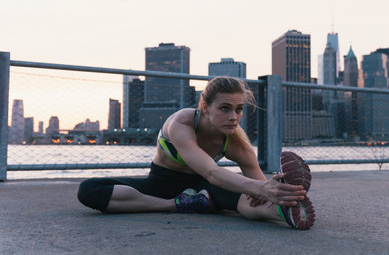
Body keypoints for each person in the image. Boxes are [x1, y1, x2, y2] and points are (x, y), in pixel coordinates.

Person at [78, 76, 315, 230]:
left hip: (207, 190)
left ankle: (287, 212)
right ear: (205, 107)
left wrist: (272, 192)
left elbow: (256, 188)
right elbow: (211, 171)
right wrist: (259, 187)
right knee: (89, 190)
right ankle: (177, 204)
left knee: (248, 199)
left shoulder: (235, 143)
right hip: (162, 184)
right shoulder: (180, 124)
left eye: (239, 109)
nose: (234, 116)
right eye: (225, 108)